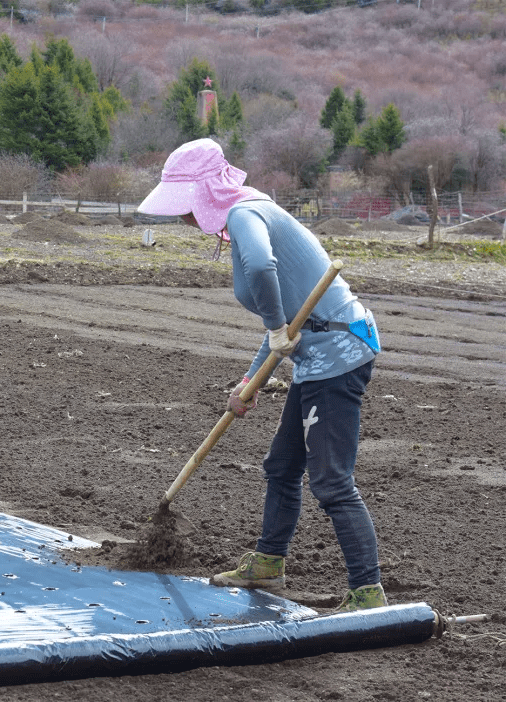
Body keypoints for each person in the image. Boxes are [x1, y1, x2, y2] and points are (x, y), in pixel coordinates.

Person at [137, 138, 386, 612]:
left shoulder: (245, 215)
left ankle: (368, 591)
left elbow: (263, 273)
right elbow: (288, 328)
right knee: (281, 466)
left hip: (338, 355)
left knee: (331, 480)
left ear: (205, 194)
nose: (184, 218)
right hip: (317, 354)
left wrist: (274, 331)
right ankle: (269, 561)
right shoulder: (253, 213)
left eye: (184, 205)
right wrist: (251, 380)